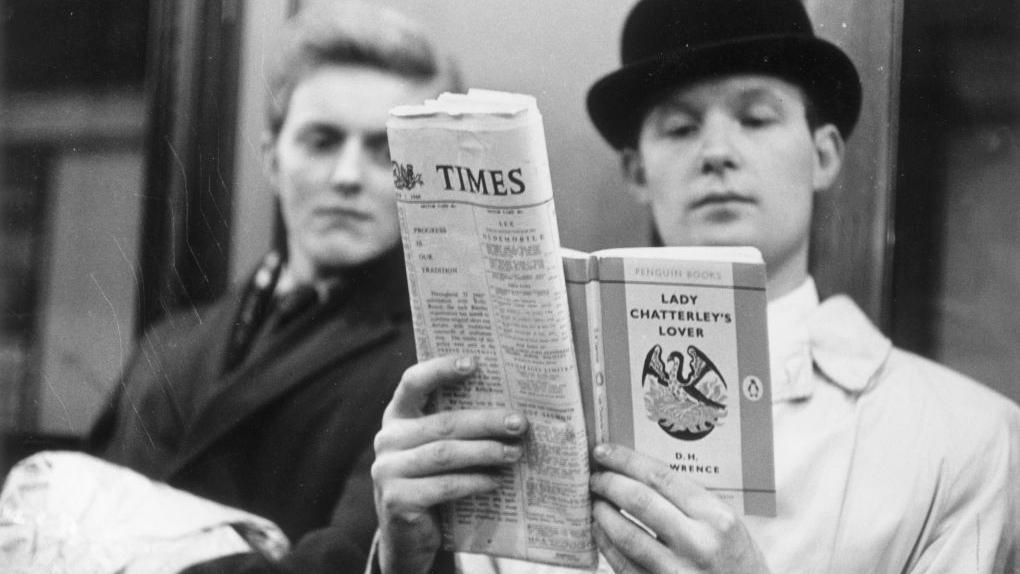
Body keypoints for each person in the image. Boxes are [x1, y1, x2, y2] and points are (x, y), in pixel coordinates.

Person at [369, 0, 1020, 573]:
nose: (716, 152)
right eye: (680, 128)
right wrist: (410, 566)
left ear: (823, 155)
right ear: (637, 172)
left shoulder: (968, 442)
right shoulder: (523, 424)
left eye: (756, 118)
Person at [88, 1, 459, 572]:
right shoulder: (167, 345)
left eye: (387, 152)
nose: (347, 177)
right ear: (271, 158)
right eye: (321, 141)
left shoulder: (430, 365)